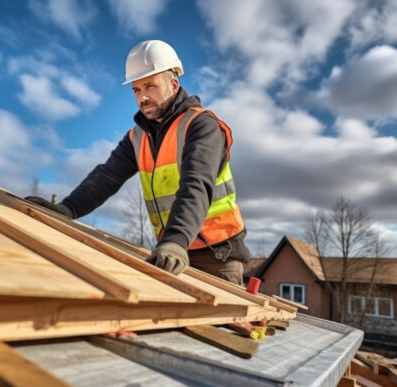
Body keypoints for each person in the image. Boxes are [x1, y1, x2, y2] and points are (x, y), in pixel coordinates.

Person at [26, 40, 250, 285]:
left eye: (150, 86)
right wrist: (68, 209)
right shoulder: (138, 136)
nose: (143, 97)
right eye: (136, 90)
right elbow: (107, 177)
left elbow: (196, 185)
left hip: (215, 255)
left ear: (174, 85)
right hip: (170, 251)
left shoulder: (201, 125)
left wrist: (175, 241)